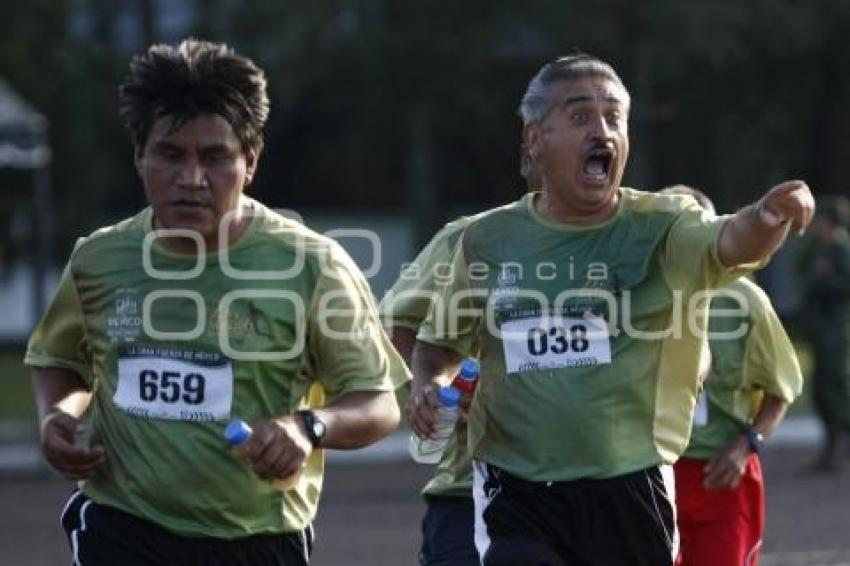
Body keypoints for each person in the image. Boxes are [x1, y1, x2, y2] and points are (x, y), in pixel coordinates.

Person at [409, 53, 815, 565]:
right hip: (514, 492)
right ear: (535, 139)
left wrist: (770, 213)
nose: (602, 130)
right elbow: (437, 345)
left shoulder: (664, 225)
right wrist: (431, 385)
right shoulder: (486, 239)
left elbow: (732, 241)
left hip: (630, 488)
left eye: (614, 117)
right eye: (580, 117)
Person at [25, 39, 407, 566]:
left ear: (250, 160)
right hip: (121, 526)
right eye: (170, 154)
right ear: (139, 155)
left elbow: (378, 402)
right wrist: (55, 418)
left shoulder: (314, 266)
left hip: (256, 539)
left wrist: (308, 427)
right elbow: (60, 362)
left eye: (214, 157)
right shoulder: (98, 259)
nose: (191, 180)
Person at [660, 185, 803, 566]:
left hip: (718, 470)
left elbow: (781, 389)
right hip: (648, 468)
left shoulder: (745, 303)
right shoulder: (635, 295)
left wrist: (747, 444)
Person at [797, 195, 850, 472]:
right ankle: (832, 448)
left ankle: (836, 448)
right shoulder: (821, 248)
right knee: (822, 390)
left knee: (833, 389)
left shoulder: (840, 250)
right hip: (822, 330)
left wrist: (825, 279)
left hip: (835, 331)